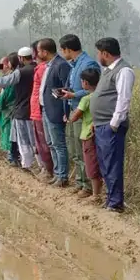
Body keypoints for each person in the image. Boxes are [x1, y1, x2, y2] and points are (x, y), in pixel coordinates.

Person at [90, 37, 135, 213]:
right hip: (101, 124)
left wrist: (114, 124)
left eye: (99, 53)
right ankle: (110, 198)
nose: (98, 56)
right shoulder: (108, 70)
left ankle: (116, 203)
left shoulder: (123, 71)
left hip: (111, 126)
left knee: (112, 164)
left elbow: (123, 99)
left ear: (105, 53)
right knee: (105, 164)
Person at [59, 34, 101, 198]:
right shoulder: (74, 65)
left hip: (83, 112)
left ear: (69, 49)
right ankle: (80, 181)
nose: (63, 53)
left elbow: (94, 88)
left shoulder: (88, 63)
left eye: (63, 50)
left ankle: (88, 186)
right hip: (72, 109)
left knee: (83, 150)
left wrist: (74, 94)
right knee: (74, 149)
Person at [0, 48, 37, 173]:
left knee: (24, 140)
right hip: (34, 109)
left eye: (7, 63)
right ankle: (34, 164)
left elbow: (0, 82)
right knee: (33, 139)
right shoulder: (37, 68)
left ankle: (28, 165)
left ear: (20, 58)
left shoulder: (19, 73)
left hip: (21, 111)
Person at [39, 38, 72, 187]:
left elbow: (66, 88)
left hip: (55, 110)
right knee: (51, 143)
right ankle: (57, 173)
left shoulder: (61, 65)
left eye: (39, 51)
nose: (38, 54)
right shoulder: (49, 65)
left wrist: (65, 111)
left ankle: (63, 176)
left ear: (45, 52)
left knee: (59, 144)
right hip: (46, 108)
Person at [69, 68, 104, 205]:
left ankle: (96, 194)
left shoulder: (86, 99)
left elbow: (75, 116)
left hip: (88, 134)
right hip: (100, 133)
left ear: (85, 83)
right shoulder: (101, 95)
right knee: (101, 162)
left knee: (91, 164)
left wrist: (68, 118)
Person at [29, 40, 54, 179]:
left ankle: (49, 171)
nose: (35, 54)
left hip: (40, 111)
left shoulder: (44, 68)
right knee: (40, 143)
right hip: (35, 110)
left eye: (36, 51)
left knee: (45, 143)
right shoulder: (39, 68)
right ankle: (45, 168)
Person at [0, 55, 19, 165]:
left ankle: (12, 157)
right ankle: (11, 155)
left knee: (11, 133)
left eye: (3, 65)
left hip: (9, 110)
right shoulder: (5, 77)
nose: (1, 67)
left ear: (8, 64)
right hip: (5, 110)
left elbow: (7, 96)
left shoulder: (11, 77)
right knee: (7, 132)